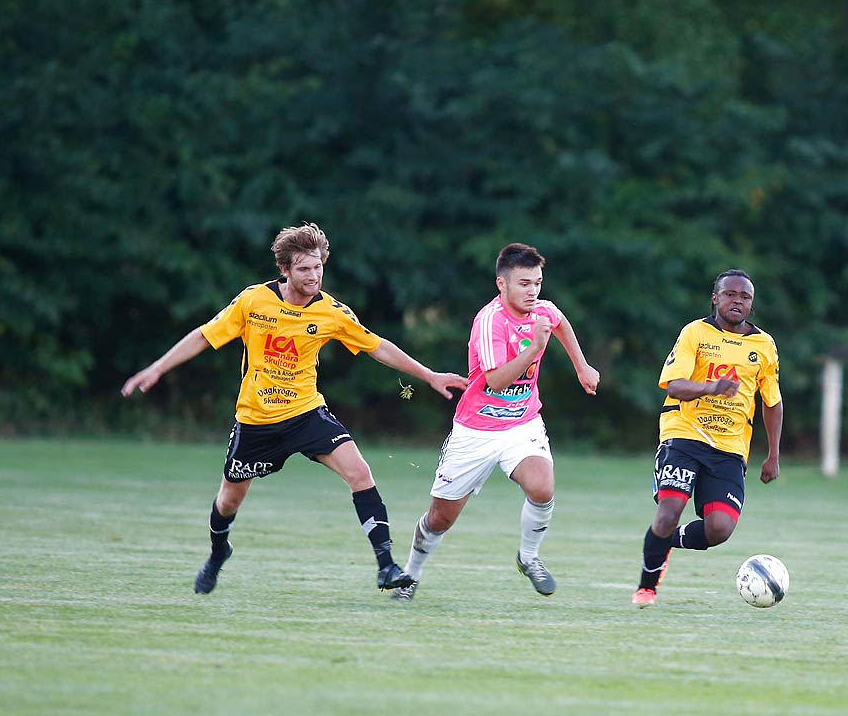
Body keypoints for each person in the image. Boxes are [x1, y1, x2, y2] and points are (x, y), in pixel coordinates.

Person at [121, 222, 468, 596]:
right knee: (229, 499)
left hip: (306, 414)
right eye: (304, 268)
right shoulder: (254, 301)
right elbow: (205, 334)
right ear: (285, 270)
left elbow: (377, 346)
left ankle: (386, 565)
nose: (314, 275)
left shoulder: (332, 312)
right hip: (256, 421)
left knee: (360, 472)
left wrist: (428, 374)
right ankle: (218, 552)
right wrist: (157, 367)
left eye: (318, 266)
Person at [389, 243, 601, 601]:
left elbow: (559, 323)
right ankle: (411, 573)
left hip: (522, 423)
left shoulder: (542, 309)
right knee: (440, 518)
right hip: (476, 431)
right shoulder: (490, 321)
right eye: (523, 283)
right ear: (501, 284)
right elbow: (496, 380)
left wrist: (582, 366)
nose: (532, 291)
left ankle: (529, 557)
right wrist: (533, 350)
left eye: (537, 282)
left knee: (542, 486)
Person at [634, 269, 783, 607]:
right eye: (730, 294)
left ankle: (663, 541)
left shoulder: (763, 345)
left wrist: (773, 454)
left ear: (751, 304)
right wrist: (711, 387)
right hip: (683, 435)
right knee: (670, 509)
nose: (738, 301)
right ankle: (647, 588)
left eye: (745, 297)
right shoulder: (695, 333)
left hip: (730, 447)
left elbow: (772, 402)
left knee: (719, 529)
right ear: (715, 298)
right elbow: (674, 385)